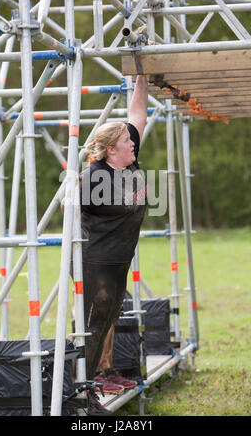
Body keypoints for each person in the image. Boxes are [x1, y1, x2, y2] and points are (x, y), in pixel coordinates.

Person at [77, 75, 148, 414]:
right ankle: (84, 394)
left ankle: (100, 377)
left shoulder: (128, 161)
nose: (132, 142)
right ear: (110, 149)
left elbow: (137, 117)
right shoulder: (94, 177)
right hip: (97, 264)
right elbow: (72, 203)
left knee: (107, 323)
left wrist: (141, 77)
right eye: (125, 140)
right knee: (93, 328)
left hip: (119, 261)